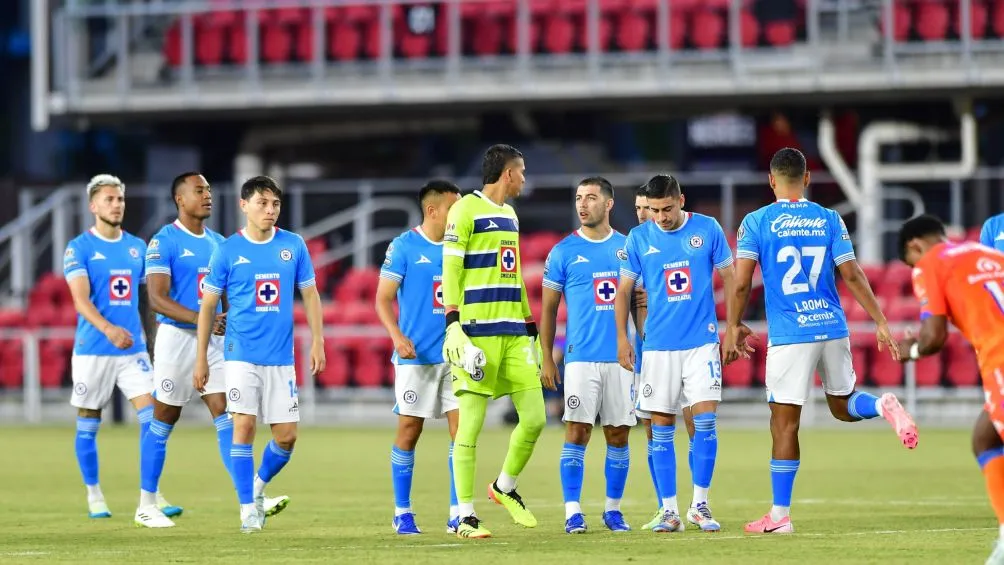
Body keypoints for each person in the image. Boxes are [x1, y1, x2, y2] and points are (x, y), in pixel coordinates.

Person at [724, 147, 918, 535]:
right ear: (808, 178)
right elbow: (853, 274)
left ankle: (780, 516)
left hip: (790, 333)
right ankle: (881, 404)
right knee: (843, 405)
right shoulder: (829, 218)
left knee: (784, 425)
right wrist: (880, 321)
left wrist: (732, 326)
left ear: (771, 180)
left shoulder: (756, 221)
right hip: (832, 325)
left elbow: (742, 282)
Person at [138, 172, 287, 528]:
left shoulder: (219, 243)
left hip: (215, 342)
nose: (207, 195)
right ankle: (146, 504)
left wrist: (234, 325)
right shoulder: (164, 241)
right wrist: (201, 318)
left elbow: (230, 298)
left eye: (208, 190)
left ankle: (248, 500)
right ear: (180, 199)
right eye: (199, 190)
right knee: (164, 416)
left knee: (227, 415)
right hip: (176, 338)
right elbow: (157, 298)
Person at [195, 175, 325, 533]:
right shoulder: (227, 251)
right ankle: (246, 510)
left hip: (281, 357)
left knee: (286, 437)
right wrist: (202, 356)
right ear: (244, 205)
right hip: (240, 353)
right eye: (262, 203)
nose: (270, 210)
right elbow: (208, 306)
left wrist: (318, 340)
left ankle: (254, 490)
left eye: (275, 204)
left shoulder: (293, 245)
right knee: (244, 424)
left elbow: (310, 294)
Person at [615, 174, 740, 533]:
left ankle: (700, 505)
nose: (661, 217)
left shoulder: (707, 228)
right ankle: (669, 511)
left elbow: (731, 278)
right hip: (658, 347)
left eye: (667, 209)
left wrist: (732, 328)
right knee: (661, 428)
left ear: (680, 201)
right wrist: (623, 339)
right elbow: (623, 291)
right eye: (654, 210)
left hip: (702, 343)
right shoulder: (639, 237)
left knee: (706, 422)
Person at [441, 144, 546, 539]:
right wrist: (453, 323)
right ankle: (464, 516)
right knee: (469, 425)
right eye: (522, 172)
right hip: (476, 333)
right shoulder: (464, 210)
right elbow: (450, 268)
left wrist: (531, 327)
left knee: (535, 418)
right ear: (508, 173)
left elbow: (512, 274)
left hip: (514, 332)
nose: (524, 179)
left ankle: (504, 486)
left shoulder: (510, 215)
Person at [64, 174, 178, 520]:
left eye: (120, 199)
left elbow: (147, 300)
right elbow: (81, 301)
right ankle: (94, 494)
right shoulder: (79, 248)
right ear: (93, 206)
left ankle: (152, 492)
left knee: (153, 417)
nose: (117, 205)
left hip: (133, 351)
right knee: (89, 419)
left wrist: (154, 340)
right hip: (93, 349)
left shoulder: (137, 248)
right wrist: (108, 329)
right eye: (109, 200)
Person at [896, 214, 1004, 564]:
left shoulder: (929, 263)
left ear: (915, 246)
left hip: (1000, 356)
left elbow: (933, 337)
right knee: (986, 437)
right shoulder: (987, 253)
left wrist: (911, 350)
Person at [539, 177, 635, 534]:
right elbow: (549, 310)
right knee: (577, 431)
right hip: (580, 358)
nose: (583, 204)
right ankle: (572, 511)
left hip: (621, 358)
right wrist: (547, 357)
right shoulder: (563, 251)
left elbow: (641, 303)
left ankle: (613, 510)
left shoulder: (628, 247)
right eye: (579, 197)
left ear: (608, 204)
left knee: (618, 434)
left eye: (591, 197)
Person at [375, 180, 462, 535]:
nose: (459, 216)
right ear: (432, 210)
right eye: (453, 209)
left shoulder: (463, 246)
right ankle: (402, 511)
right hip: (417, 357)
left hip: (456, 356)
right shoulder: (404, 246)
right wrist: (397, 336)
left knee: (462, 433)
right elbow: (382, 299)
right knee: (410, 430)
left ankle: (459, 512)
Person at [631, 186, 702, 531]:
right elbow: (630, 302)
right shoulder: (636, 246)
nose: (644, 214)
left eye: (649, 207)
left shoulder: (677, 241)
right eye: (639, 208)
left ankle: (697, 503)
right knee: (652, 428)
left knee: (693, 422)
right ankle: (665, 506)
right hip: (649, 352)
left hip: (684, 346)